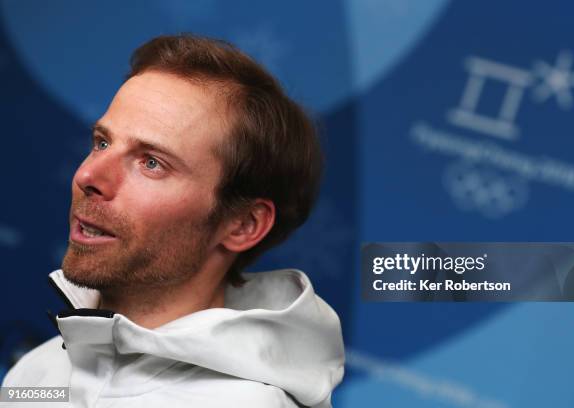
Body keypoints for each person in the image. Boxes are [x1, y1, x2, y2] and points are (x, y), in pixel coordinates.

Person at [1, 34, 344, 407]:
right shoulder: (36, 372)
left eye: (151, 162)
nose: (89, 177)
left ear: (243, 224)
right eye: (102, 142)